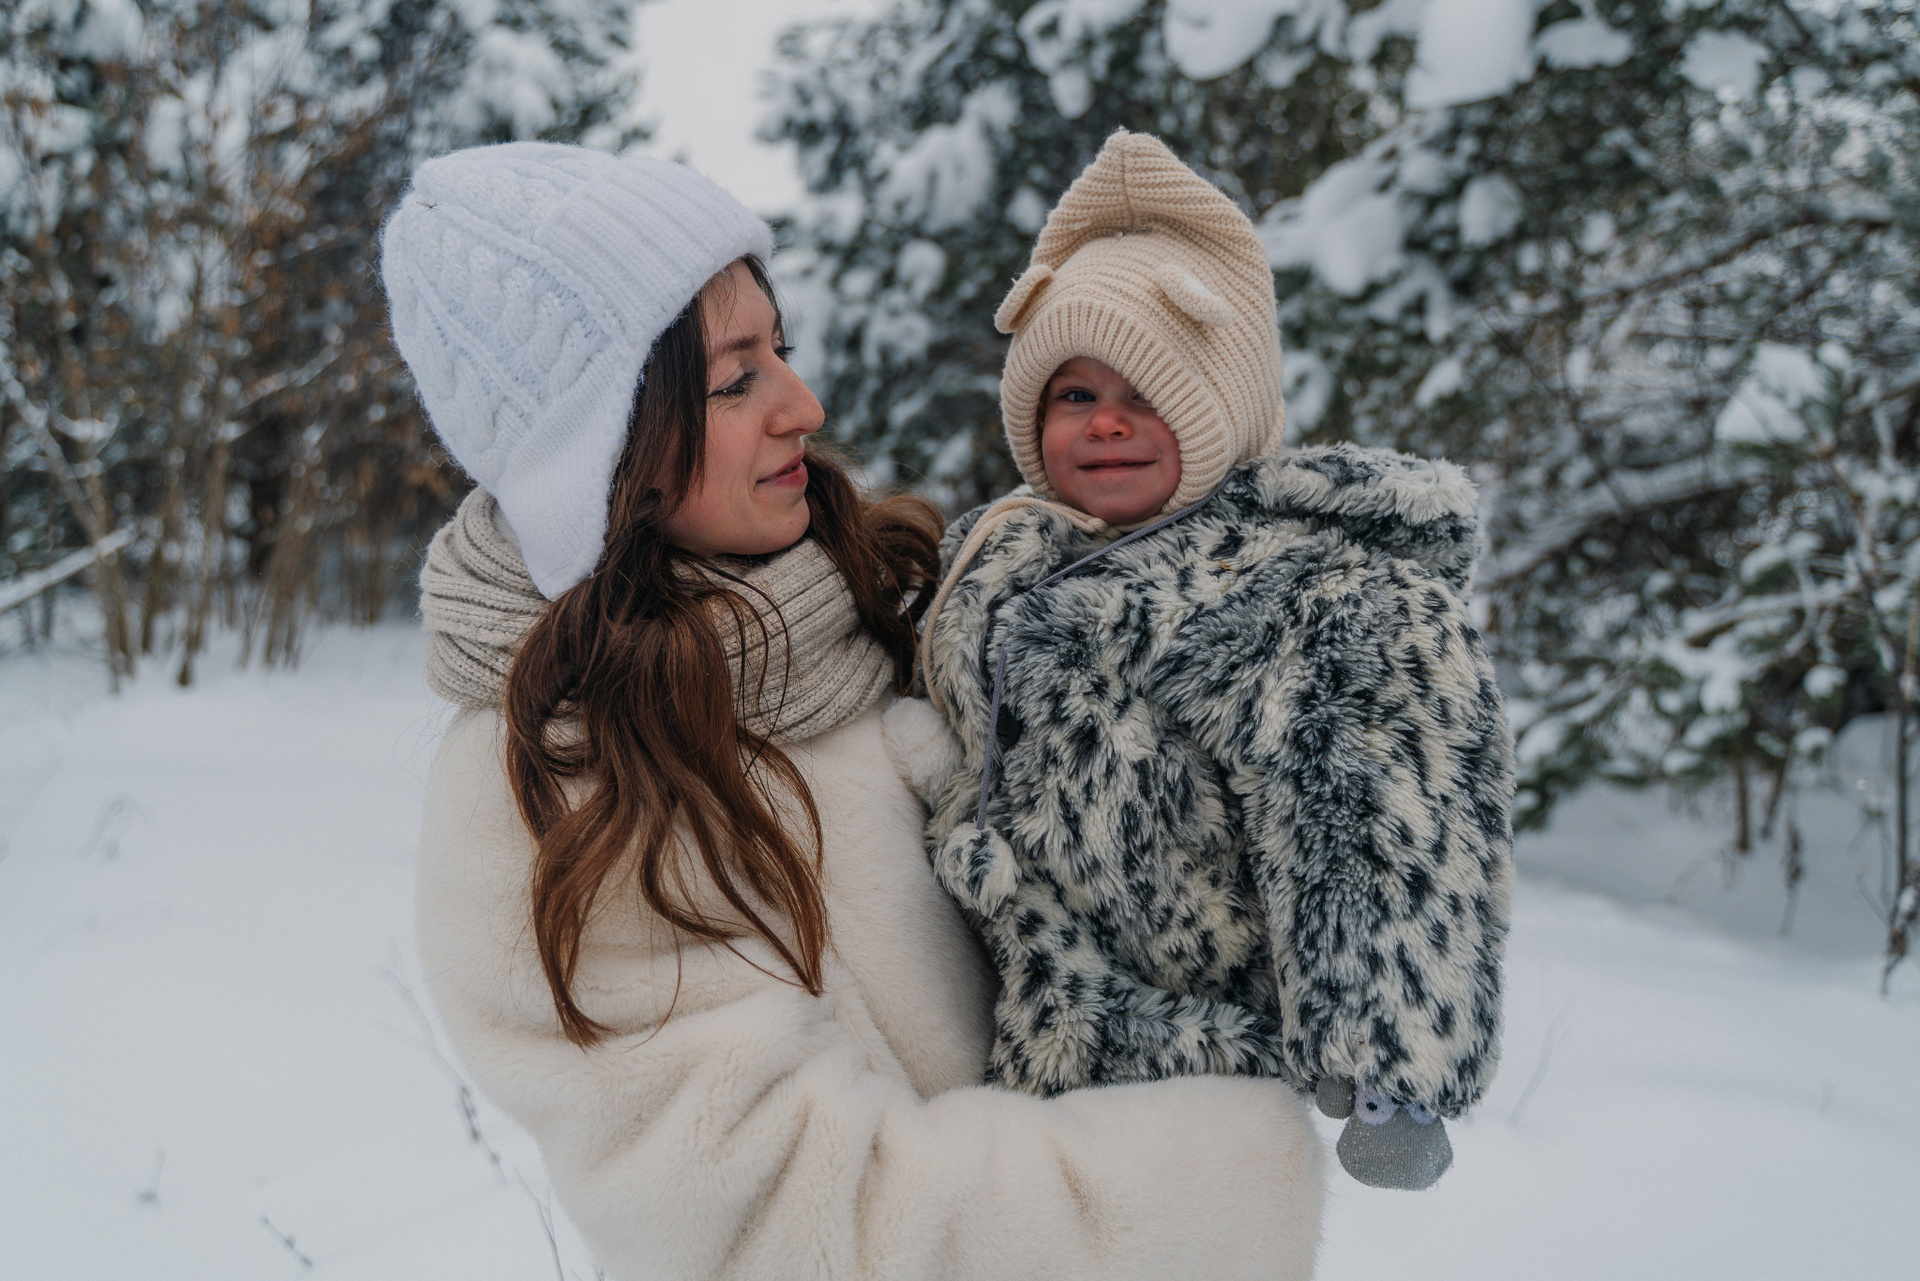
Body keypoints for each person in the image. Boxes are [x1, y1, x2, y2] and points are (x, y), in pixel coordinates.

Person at [381, 142, 1322, 1281]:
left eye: (781, 350)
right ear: (601, 454)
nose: (804, 405)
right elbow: (797, 1230)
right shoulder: (556, 788)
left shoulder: (891, 614)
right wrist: (1228, 1164)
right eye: (735, 381)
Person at [901, 130, 1516, 1191]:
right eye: (1073, 395)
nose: (1106, 424)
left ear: (1219, 406)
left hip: (1199, 1063)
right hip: (1014, 1035)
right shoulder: (997, 560)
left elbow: (1381, 812)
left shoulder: (1305, 592)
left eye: (1147, 393)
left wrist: (1387, 1064)